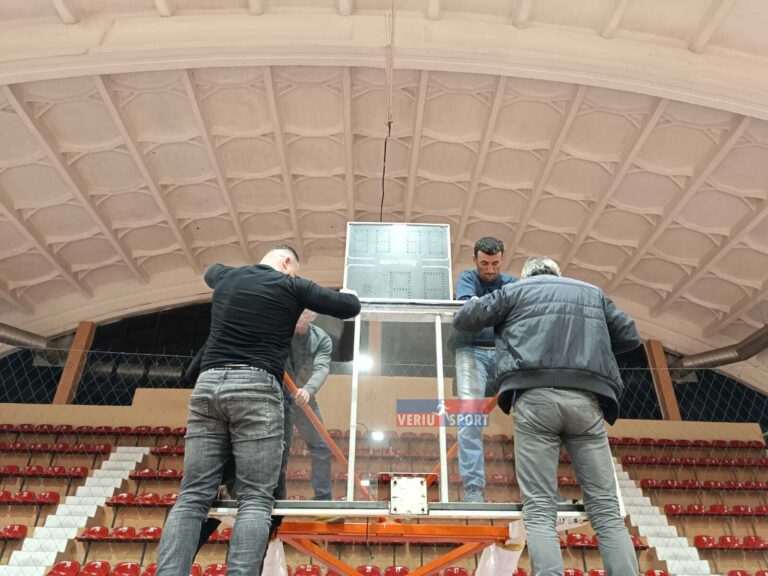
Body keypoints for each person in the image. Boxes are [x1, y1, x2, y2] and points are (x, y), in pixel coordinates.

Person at [155, 245, 361, 576]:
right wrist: (316, 287)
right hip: (256, 387)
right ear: (287, 262)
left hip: (208, 386)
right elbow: (349, 306)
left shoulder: (227, 277)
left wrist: (237, 273)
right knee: (255, 500)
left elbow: (211, 271)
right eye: (294, 269)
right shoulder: (293, 285)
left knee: (192, 497)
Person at [453, 256, 642, 576]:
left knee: (539, 509)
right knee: (607, 510)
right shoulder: (592, 292)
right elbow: (629, 336)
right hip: (587, 402)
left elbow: (466, 317)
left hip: (534, 398)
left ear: (526, 275)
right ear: (558, 274)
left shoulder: (517, 291)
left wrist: (473, 300)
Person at [453, 236, 516, 502]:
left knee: (529, 413)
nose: (490, 269)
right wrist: (500, 307)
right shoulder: (467, 278)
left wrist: (484, 306)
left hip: (504, 351)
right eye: (484, 263)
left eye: (495, 263)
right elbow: (470, 310)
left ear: (502, 259)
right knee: (470, 415)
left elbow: (482, 310)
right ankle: (474, 489)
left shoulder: (512, 282)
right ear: (475, 260)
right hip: (470, 349)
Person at [285, 310, 334, 500]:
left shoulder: (321, 339)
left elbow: (321, 369)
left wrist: (308, 389)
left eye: (303, 312)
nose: (297, 314)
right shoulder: (280, 330)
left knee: (322, 447)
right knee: (278, 449)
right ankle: (272, 501)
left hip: (304, 400)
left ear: (312, 316)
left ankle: (323, 502)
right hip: (276, 399)